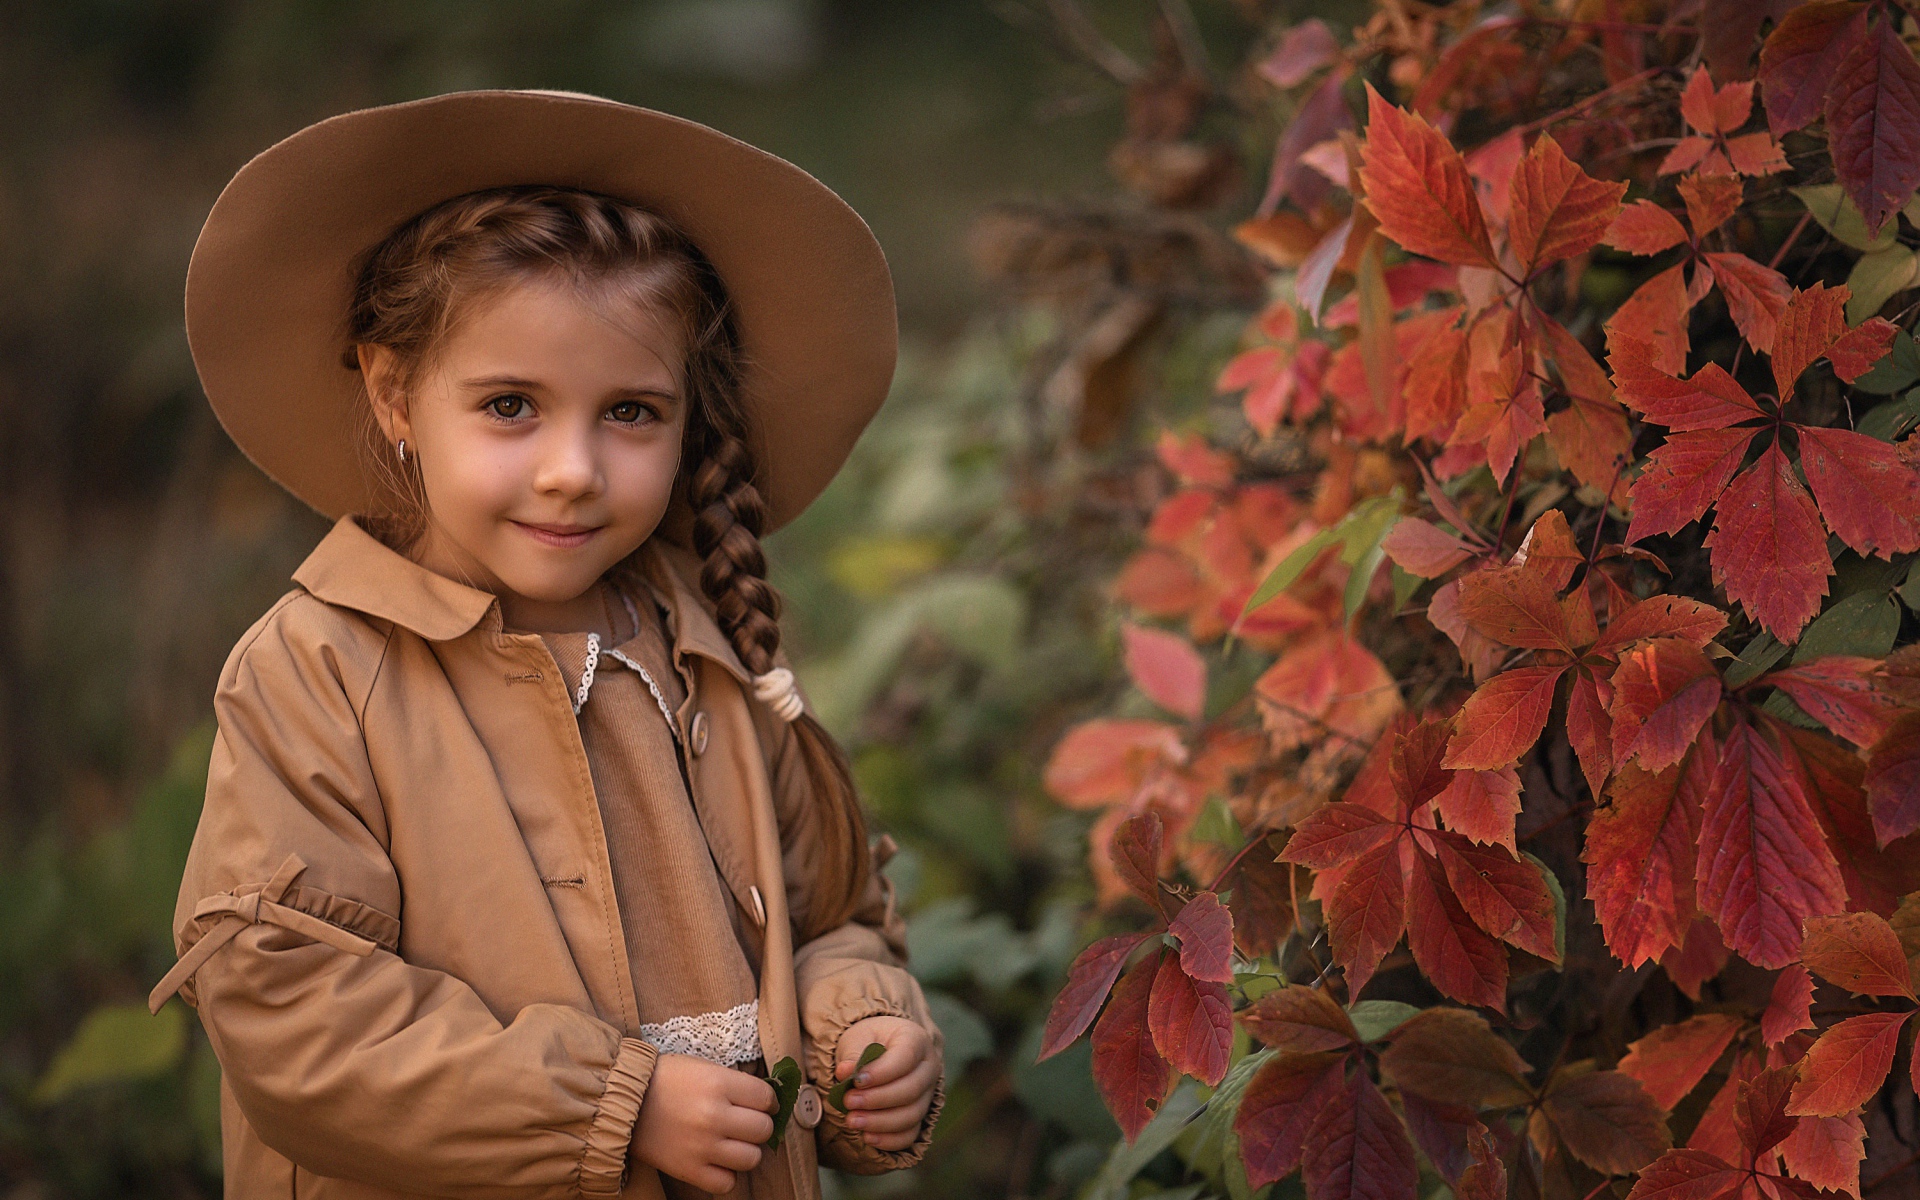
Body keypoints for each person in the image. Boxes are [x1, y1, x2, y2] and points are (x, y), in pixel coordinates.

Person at [146, 89, 943, 1200]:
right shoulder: (318, 672)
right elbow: (291, 1008)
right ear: (394, 395)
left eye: (631, 412)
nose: (573, 471)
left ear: (688, 421)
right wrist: (615, 1106)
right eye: (512, 405)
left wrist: (860, 1028)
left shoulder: (707, 648)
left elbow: (829, 920)